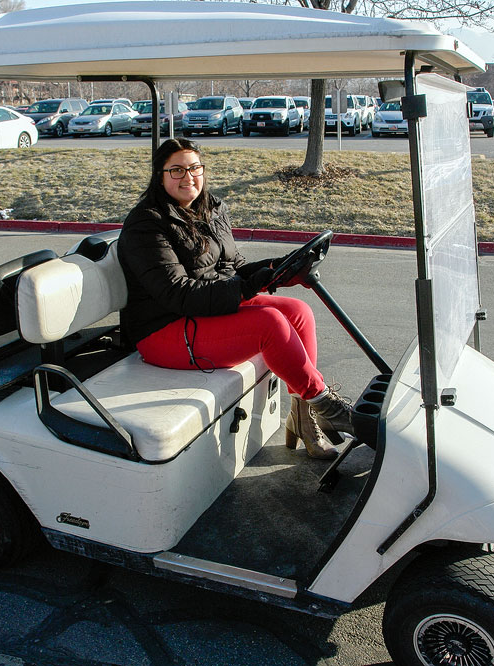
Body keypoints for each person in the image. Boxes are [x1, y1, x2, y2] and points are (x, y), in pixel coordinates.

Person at [117, 138, 352, 460]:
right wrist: (248, 287)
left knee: (297, 311)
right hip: (164, 329)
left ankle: (302, 415)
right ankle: (325, 403)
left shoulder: (210, 208)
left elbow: (234, 267)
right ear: (160, 175)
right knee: (269, 325)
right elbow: (177, 293)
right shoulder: (146, 225)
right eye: (177, 170)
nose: (189, 177)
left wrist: (277, 268)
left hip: (204, 311)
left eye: (195, 168)